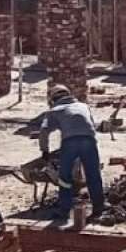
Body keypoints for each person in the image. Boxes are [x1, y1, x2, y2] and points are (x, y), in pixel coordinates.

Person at [35, 84, 104, 225]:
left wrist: (44, 151)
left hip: (70, 142)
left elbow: (44, 131)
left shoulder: (54, 110)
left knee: (64, 178)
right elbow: (90, 124)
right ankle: (98, 208)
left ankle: (64, 210)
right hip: (89, 140)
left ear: (53, 99)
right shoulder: (83, 106)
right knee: (93, 175)